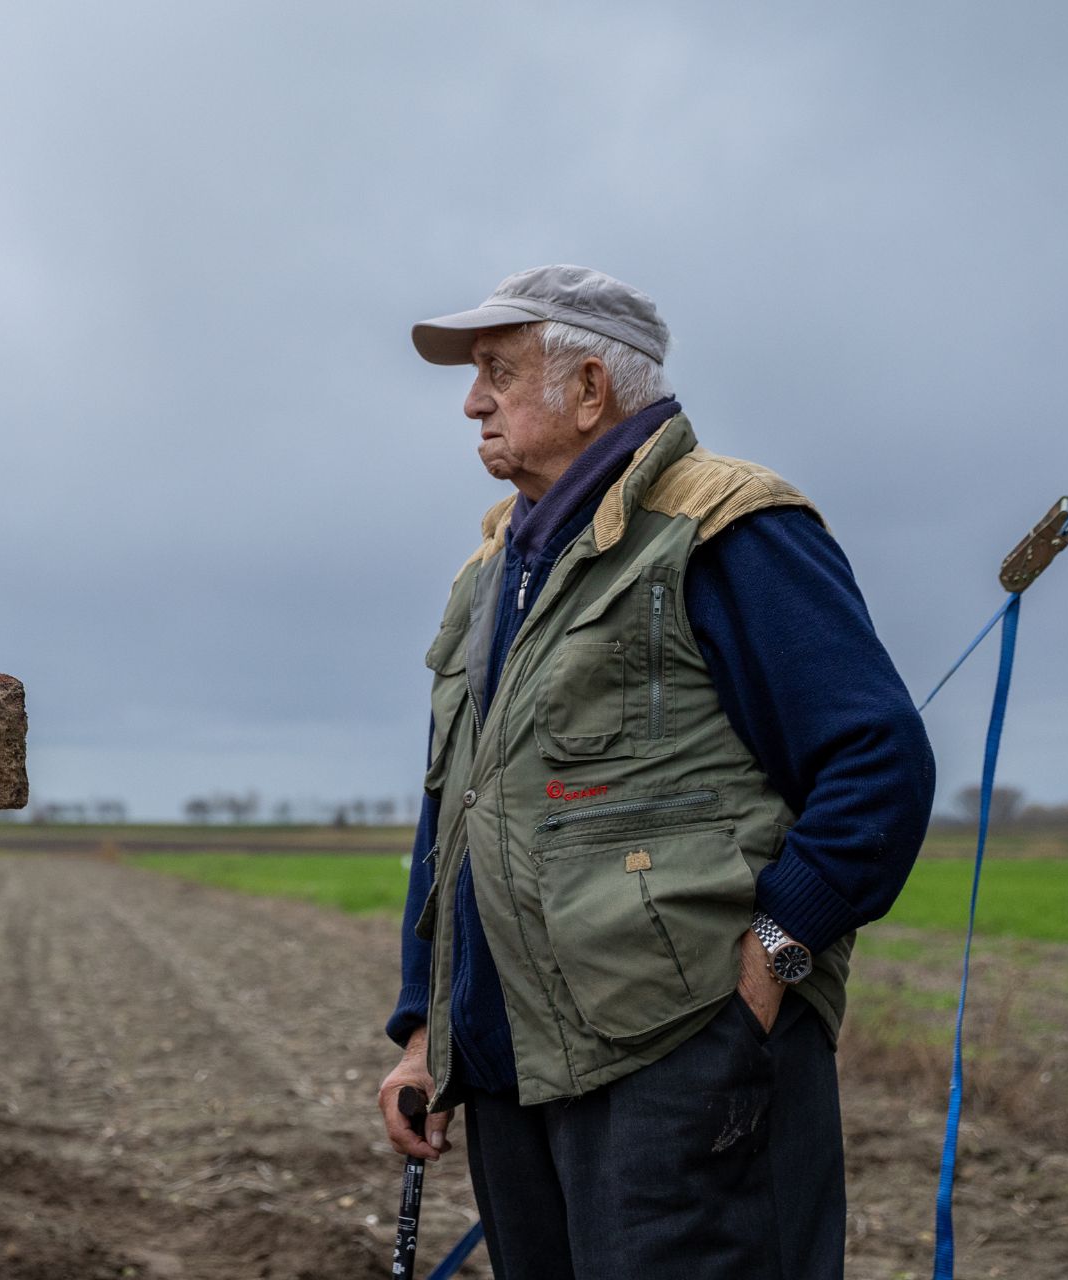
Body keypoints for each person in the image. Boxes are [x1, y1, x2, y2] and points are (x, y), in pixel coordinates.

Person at [375, 265, 934, 1279]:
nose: (472, 399)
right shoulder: (490, 574)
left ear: (591, 389)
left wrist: (770, 966)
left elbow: (876, 763)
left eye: (499, 370)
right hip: (512, 1078)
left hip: (680, 1060)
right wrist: (423, 1026)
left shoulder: (727, 527)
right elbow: (453, 813)